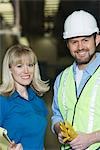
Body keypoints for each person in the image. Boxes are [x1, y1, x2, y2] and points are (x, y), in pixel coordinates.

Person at [51, 10, 100, 150]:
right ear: (68, 45)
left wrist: (91, 139)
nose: (80, 47)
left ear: (96, 39)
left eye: (85, 40)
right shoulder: (62, 79)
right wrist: (59, 130)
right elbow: (57, 115)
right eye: (74, 42)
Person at [0, 44, 50, 150]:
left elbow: (40, 141)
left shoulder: (38, 101)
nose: (26, 71)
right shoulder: (3, 102)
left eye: (30, 65)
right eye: (19, 66)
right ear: (9, 69)